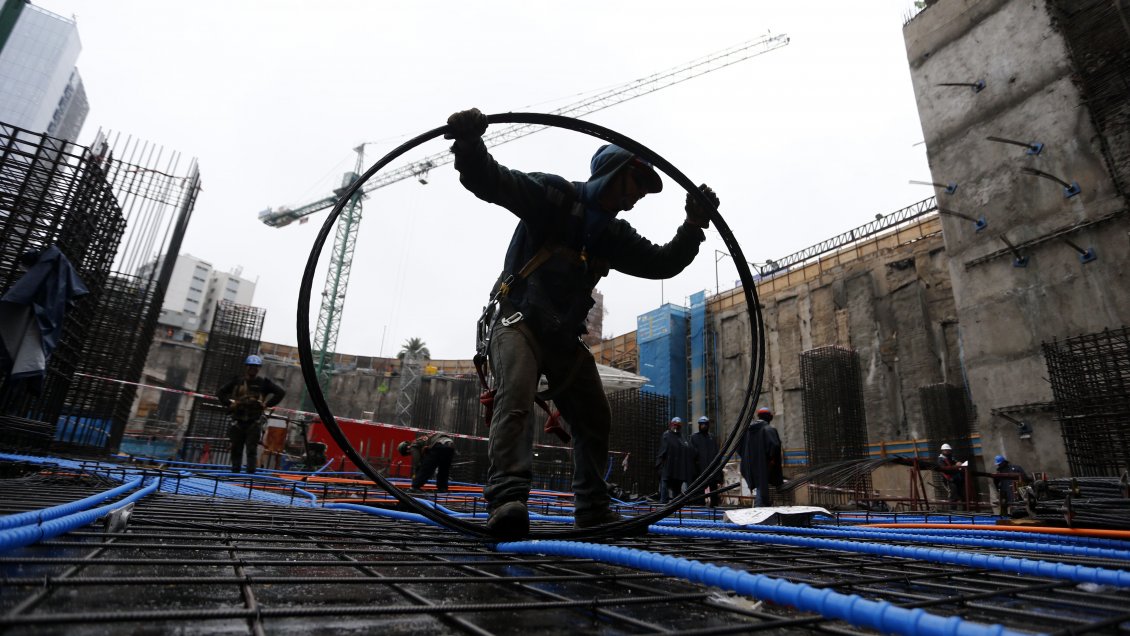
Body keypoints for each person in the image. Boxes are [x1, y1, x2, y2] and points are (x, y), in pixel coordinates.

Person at [446, 107, 719, 539]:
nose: (638, 196)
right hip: (518, 319)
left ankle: (592, 509)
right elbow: (493, 181)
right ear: (613, 171)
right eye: (637, 183)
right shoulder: (553, 196)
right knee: (514, 395)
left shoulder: (613, 235)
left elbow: (664, 262)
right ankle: (508, 500)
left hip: (560, 337)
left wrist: (692, 224)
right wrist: (469, 143)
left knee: (593, 414)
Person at [216, 355, 286, 474]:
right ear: (246, 367)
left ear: (259, 368)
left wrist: (267, 404)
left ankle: (249, 478)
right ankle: (235, 475)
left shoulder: (263, 383)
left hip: (254, 422)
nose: (253, 369)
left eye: (255, 367)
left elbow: (280, 392)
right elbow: (220, 392)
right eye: (251, 366)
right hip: (237, 421)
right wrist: (229, 404)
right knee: (236, 450)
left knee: (251, 451)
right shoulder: (237, 381)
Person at [739, 407, 783, 506]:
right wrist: (771, 460)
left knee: (760, 488)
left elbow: (739, 447)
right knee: (762, 489)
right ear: (769, 417)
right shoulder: (768, 429)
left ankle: (760, 510)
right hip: (764, 467)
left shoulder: (748, 430)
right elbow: (774, 447)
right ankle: (760, 514)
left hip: (750, 466)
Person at [656, 417, 695, 503]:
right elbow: (663, 451)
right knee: (664, 487)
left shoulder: (682, 438)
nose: (676, 427)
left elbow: (689, 449)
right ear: (671, 425)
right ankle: (664, 504)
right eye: (674, 425)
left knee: (676, 490)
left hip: (678, 470)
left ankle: (675, 506)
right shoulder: (667, 435)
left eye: (678, 426)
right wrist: (660, 465)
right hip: (667, 468)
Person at [690, 415, 722, 507]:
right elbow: (692, 455)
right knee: (699, 493)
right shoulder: (694, 437)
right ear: (699, 425)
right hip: (700, 470)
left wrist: (719, 473)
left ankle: (714, 507)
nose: (703, 426)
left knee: (714, 492)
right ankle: (700, 508)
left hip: (712, 470)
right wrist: (694, 469)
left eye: (705, 424)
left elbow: (716, 454)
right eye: (702, 424)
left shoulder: (712, 438)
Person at [937, 443, 965, 509]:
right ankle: (953, 510)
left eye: (949, 450)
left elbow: (955, 461)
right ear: (943, 451)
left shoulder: (950, 457)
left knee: (960, 493)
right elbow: (945, 469)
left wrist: (958, 463)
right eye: (946, 450)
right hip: (948, 479)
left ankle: (964, 508)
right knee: (953, 494)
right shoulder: (941, 459)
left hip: (955, 478)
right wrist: (955, 466)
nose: (948, 452)